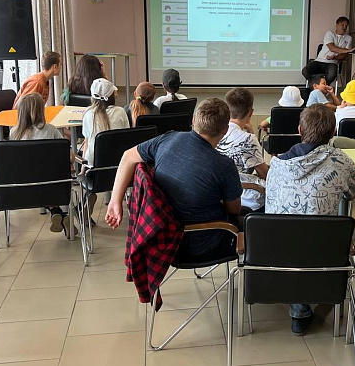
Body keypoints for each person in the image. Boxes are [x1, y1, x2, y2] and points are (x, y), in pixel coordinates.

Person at [106, 98, 242, 261]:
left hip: (161, 238)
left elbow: (128, 156)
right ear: (225, 130)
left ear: (194, 120)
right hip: (200, 243)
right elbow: (234, 209)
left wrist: (115, 201)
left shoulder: (168, 139)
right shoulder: (225, 165)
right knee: (250, 221)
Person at [265, 104, 355, 335]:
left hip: (276, 250)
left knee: (297, 237)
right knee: (317, 235)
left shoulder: (276, 165)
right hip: (323, 249)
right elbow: (352, 192)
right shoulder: (342, 161)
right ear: (333, 133)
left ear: (299, 130)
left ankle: (299, 309)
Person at [11, 92, 75, 237]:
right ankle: (61, 214)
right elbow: (70, 157)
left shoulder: (15, 133)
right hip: (52, 184)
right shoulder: (51, 130)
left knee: (36, 181)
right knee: (46, 181)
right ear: (41, 110)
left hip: (22, 187)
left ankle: (57, 212)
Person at [217, 88, 269, 213]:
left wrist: (250, 130)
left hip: (219, 195)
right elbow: (264, 174)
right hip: (245, 198)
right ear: (251, 112)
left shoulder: (215, 131)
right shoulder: (247, 139)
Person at [82, 78, 129, 165]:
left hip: (92, 164)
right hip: (117, 163)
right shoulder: (120, 112)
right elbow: (126, 138)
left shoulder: (88, 114)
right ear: (112, 95)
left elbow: (86, 142)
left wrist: (83, 169)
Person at [302, 17, 355, 85]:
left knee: (331, 75)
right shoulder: (330, 33)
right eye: (342, 25)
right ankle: (316, 86)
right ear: (337, 25)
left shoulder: (348, 38)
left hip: (332, 63)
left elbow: (344, 55)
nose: (344, 27)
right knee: (305, 71)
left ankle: (323, 87)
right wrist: (347, 50)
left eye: (346, 26)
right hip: (319, 61)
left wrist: (335, 57)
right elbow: (332, 48)